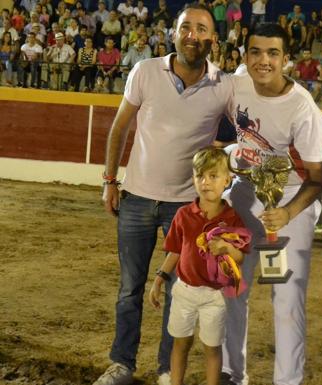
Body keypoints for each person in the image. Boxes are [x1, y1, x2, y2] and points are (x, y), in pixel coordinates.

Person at [94, 4, 234, 385]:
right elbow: (120, 127)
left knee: (180, 292)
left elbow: (247, 132)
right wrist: (110, 180)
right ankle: (122, 364)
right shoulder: (144, 71)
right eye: (185, 27)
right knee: (129, 289)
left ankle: (167, 369)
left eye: (201, 29)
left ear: (213, 39)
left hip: (188, 207)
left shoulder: (225, 85)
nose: (193, 35)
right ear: (173, 33)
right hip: (136, 198)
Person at [222, 23, 322, 385]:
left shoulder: (305, 112)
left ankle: (287, 381)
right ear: (244, 55)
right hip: (243, 193)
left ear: (286, 60)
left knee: (285, 299)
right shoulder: (236, 83)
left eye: (272, 54)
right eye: (255, 52)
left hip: (288, 202)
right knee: (232, 284)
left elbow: (317, 179)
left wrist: (286, 214)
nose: (263, 60)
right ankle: (230, 373)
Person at [148, 147, 249, 385]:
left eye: (213, 176)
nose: (205, 182)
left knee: (212, 348)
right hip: (184, 291)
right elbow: (175, 251)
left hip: (215, 296)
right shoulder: (183, 215)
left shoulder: (233, 218)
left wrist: (226, 248)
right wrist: (159, 278)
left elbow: (241, 257)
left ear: (227, 180)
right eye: (199, 176)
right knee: (180, 343)